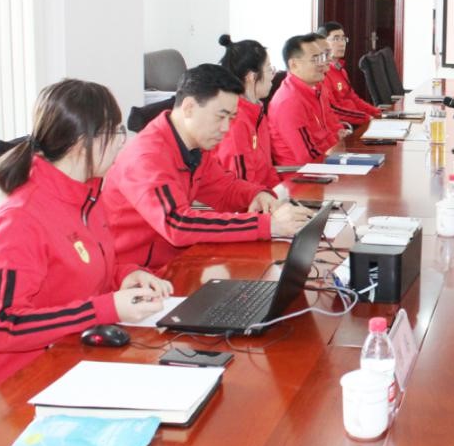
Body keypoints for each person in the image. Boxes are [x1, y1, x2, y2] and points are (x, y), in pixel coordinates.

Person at [0, 80, 172, 402]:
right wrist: (104, 309)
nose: (121, 143)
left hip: (72, 359)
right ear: (81, 143)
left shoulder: (86, 196)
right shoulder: (20, 220)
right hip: (15, 389)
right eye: (115, 132)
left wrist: (126, 274)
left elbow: (86, 269)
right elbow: (4, 327)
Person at [102, 64, 313, 272]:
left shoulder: (193, 148)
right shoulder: (147, 157)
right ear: (189, 108)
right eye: (220, 117)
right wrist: (266, 225)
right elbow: (177, 224)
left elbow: (224, 188)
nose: (225, 128)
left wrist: (256, 195)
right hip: (135, 276)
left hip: (176, 264)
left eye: (231, 118)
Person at [211, 34, 278, 192]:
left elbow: (268, 169)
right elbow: (241, 187)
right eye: (269, 69)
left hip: (264, 197)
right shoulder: (235, 120)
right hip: (249, 201)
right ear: (251, 76)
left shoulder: (257, 112)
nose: (273, 75)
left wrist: (281, 196)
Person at [268, 33, 346, 165]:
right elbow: (308, 156)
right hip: (302, 173)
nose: (323, 63)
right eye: (315, 59)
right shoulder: (289, 102)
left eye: (322, 57)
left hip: (328, 161)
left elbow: (328, 134)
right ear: (294, 64)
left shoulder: (315, 89)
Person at [319, 21, 383, 127]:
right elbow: (333, 110)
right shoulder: (321, 73)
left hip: (358, 121)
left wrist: (378, 113)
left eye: (343, 39)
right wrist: (367, 118)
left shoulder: (340, 69)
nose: (342, 43)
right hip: (346, 126)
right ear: (322, 43)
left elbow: (354, 99)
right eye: (336, 39)